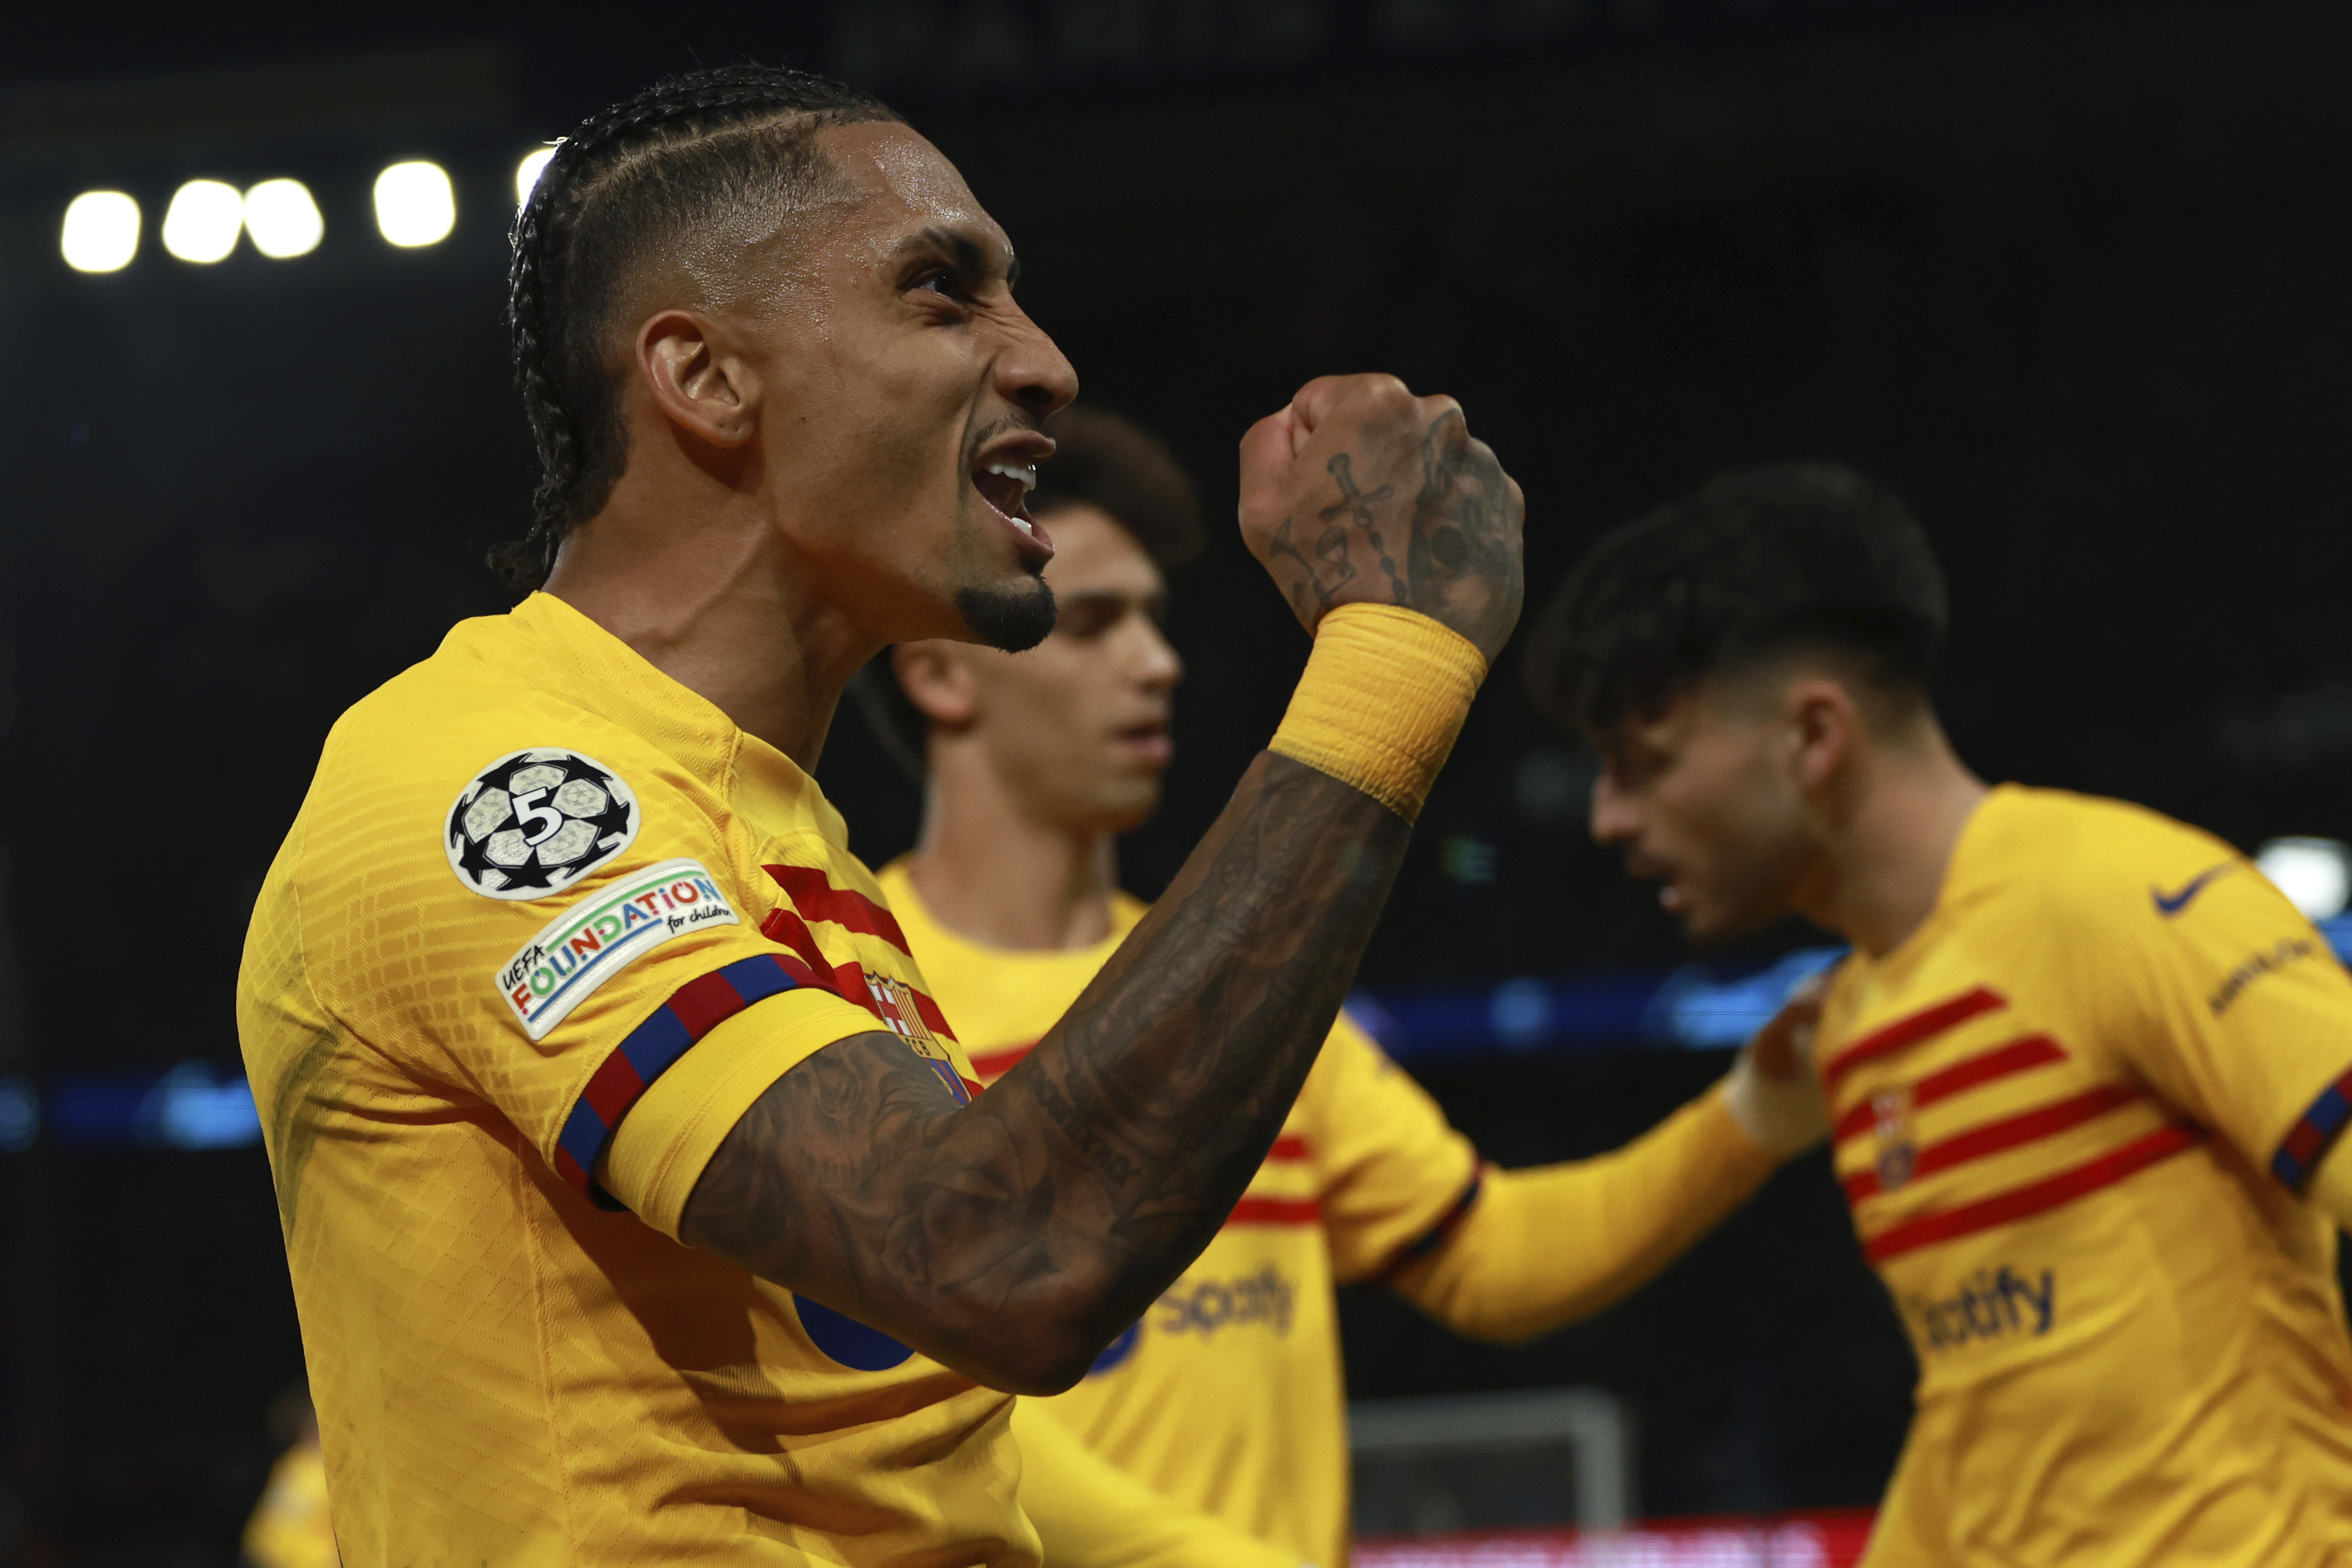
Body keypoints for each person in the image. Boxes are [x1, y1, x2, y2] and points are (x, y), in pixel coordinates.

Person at [236, 62, 1529, 1568]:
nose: (1041, 361)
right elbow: (1004, 1253)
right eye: (941, 290)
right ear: (703, 377)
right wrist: (1389, 658)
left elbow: (928, 1446)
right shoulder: (490, 786)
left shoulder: (793, 850)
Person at [859, 406, 1831, 1568]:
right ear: (939, 676)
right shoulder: (864, 985)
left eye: (1158, 624)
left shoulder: (1244, 974)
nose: (1157, 665)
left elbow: (1494, 1255)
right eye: (1098, 625)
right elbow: (925, 1405)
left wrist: (1754, 1118)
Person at [1526, 462, 2352, 1566]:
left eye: (1641, 765)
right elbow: (1988, 1406)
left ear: (1814, 738)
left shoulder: (2123, 902)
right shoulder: (1859, 1023)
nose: (1606, 818)